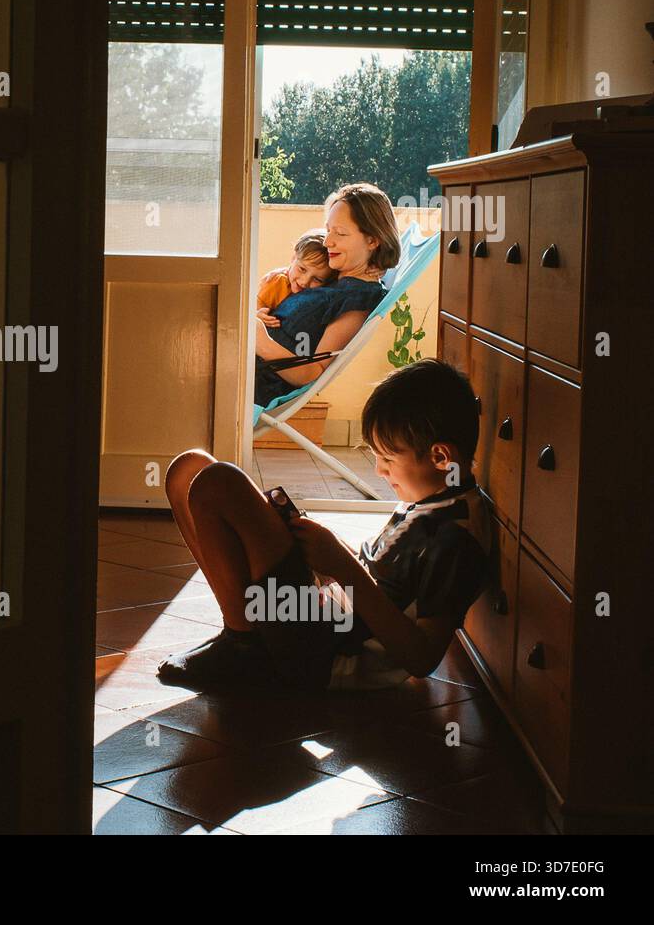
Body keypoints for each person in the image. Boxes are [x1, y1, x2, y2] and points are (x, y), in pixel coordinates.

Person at [157, 358, 493, 693]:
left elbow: (421, 658)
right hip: (318, 611)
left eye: (388, 459)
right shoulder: (434, 497)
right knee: (188, 470)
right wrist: (325, 547)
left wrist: (342, 567)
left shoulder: (456, 540)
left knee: (219, 481)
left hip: (325, 653)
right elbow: (377, 575)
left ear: (440, 458)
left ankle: (245, 646)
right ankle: (240, 634)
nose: (379, 470)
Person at [254, 183, 401, 408]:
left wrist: (261, 341)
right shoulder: (338, 279)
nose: (327, 241)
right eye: (328, 229)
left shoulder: (357, 298)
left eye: (340, 233)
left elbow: (314, 371)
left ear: (372, 240)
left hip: (253, 383)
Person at [255, 230, 335, 328]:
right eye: (302, 269)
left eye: (317, 279)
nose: (305, 282)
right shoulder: (276, 282)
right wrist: (258, 316)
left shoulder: (321, 295)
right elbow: (248, 312)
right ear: (293, 258)